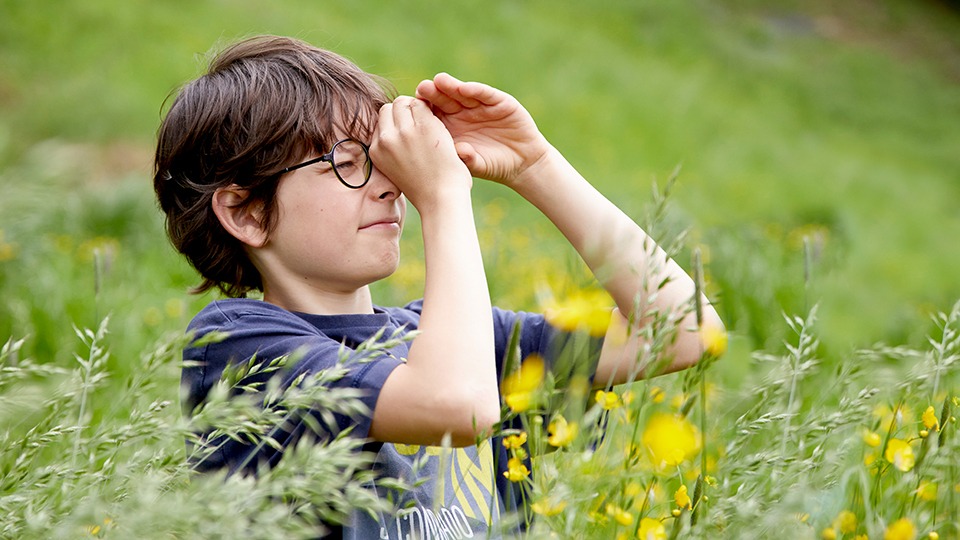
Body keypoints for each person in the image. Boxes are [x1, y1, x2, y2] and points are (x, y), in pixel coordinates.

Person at [153, 35, 723, 539]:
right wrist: (445, 197)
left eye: (386, 160)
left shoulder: (449, 339)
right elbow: (455, 406)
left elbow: (687, 333)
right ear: (247, 212)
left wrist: (535, 165)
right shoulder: (240, 351)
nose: (388, 187)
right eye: (349, 163)